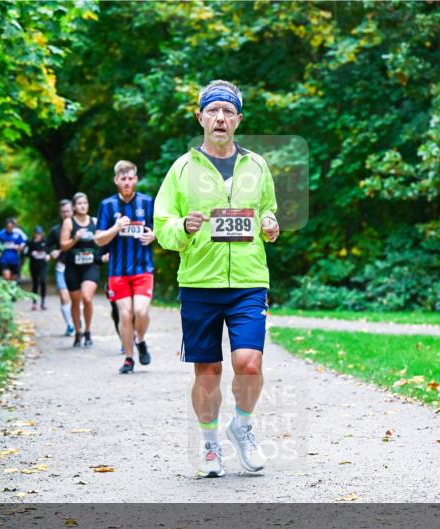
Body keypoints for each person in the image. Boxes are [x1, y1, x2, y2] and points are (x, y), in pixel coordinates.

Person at [154, 80, 280, 479]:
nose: (220, 118)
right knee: (207, 371)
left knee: (249, 363)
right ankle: (210, 444)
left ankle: (241, 426)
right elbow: (162, 224)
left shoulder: (256, 166)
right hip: (199, 282)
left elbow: (268, 210)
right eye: (213, 111)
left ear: (238, 119)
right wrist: (183, 227)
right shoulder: (182, 169)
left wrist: (270, 224)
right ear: (200, 117)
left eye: (228, 111)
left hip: (248, 279)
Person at [94, 160, 156, 374]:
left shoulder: (147, 202)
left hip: (143, 268)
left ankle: (141, 340)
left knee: (141, 311)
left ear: (136, 179)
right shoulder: (107, 205)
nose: (127, 182)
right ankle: (129, 358)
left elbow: (162, 227)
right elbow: (98, 239)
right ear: (116, 180)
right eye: (123, 179)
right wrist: (115, 228)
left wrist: (154, 235)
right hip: (118, 271)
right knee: (125, 315)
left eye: (130, 178)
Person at [60, 192, 101, 347]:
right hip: (73, 268)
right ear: (74, 207)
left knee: (87, 298)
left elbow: (103, 241)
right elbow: (63, 245)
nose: (83, 206)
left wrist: (104, 253)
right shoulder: (69, 223)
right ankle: (78, 332)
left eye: (85, 203)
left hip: (90, 266)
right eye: (79, 204)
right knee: (75, 301)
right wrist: (75, 238)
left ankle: (88, 331)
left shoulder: (95, 222)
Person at [49, 200, 76, 335]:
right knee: (64, 298)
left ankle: (78, 321)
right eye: (63, 212)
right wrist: (51, 252)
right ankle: (70, 325)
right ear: (60, 213)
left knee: (76, 298)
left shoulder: (80, 227)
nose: (66, 214)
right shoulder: (55, 230)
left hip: (78, 268)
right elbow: (47, 246)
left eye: (68, 211)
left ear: (73, 210)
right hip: (62, 267)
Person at [25, 226, 51, 311]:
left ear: (42, 234)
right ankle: (34, 302)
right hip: (34, 265)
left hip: (43, 265)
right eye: (37, 233)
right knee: (35, 283)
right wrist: (31, 253)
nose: (38, 235)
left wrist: (48, 255)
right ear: (34, 234)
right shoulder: (30, 242)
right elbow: (25, 253)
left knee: (43, 281)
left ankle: (43, 302)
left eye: (39, 233)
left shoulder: (45, 242)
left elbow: (49, 251)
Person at [0, 217, 26, 284]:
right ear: (5, 227)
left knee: (14, 278)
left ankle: (12, 288)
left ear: (13, 227)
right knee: (6, 276)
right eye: (8, 227)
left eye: (11, 227)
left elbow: (22, 244)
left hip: (14, 259)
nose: (9, 228)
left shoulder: (17, 235)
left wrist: (19, 247)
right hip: (4, 258)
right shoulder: (0, 234)